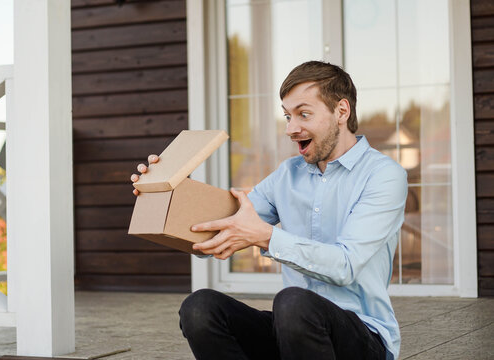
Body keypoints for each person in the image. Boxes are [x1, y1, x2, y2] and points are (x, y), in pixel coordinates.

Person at [131, 61, 407, 360]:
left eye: (304, 114)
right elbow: (217, 231)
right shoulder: (287, 174)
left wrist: (265, 236)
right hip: (292, 330)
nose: (291, 129)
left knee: (292, 303)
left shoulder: (384, 175)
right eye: (288, 116)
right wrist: (169, 191)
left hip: (363, 338)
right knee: (200, 308)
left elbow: (345, 266)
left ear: (342, 111)